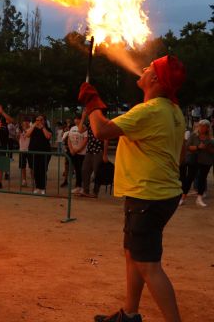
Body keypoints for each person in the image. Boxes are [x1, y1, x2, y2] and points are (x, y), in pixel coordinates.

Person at [80, 55, 185, 322]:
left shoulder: (149, 111)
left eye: (151, 67)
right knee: (133, 255)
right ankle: (130, 313)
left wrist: (92, 102)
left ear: (155, 79)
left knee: (149, 265)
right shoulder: (173, 111)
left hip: (148, 196)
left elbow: (101, 130)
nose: (144, 68)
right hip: (156, 194)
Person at [181, 118, 213, 207]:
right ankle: (183, 198)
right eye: (201, 126)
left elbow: (212, 151)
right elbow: (187, 147)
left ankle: (199, 198)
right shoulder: (194, 135)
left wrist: (207, 148)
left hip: (206, 161)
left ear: (208, 128)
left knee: (202, 179)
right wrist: (198, 147)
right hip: (194, 160)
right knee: (189, 178)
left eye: (204, 126)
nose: (202, 128)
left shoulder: (211, 138)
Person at [81, 115, 109, 198]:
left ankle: (95, 192)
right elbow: (80, 130)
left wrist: (105, 154)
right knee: (85, 169)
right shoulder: (89, 123)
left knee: (97, 172)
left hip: (98, 150)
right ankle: (86, 190)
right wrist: (83, 117)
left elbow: (106, 139)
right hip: (90, 149)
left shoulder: (102, 123)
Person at [26, 114, 52, 195]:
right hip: (33, 152)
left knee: (43, 170)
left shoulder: (47, 128)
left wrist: (43, 127)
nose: (39, 122)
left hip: (45, 152)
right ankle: (37, 187)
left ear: (44, 121)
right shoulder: (33, 128)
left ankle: (43, 187)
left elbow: (48, 136)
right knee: (35, 170)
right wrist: (33, 126)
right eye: (37, 120)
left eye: (41, 120)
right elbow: (27, 134)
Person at [66, 115, 88, 194]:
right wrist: (71, 149)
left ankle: (82, 186)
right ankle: (78, 186)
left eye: (78, 119)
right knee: (77, 169)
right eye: (75, 118)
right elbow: (69, 139)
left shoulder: (84, 128)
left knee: (82, 170)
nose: (76, 120)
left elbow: (85, 140)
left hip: (82, 153)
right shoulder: (72, 128)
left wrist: (79, 149)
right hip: (73, 152)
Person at [17, 119, 33, 187]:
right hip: (22, 150)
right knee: (22, 166)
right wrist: (19, 133)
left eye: (26, 123)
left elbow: (29, 136)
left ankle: (33, 180)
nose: (25, 125)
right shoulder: (19, 130)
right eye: (23, 124)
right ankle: (24, 180)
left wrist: (26, 129)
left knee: (31, 166)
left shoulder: (31, 129)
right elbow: (17, 138)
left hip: (29, 150)